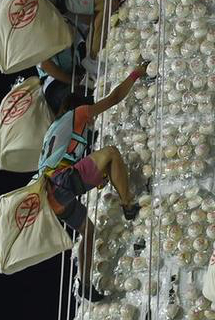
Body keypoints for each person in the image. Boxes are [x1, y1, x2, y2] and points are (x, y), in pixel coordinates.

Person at [38, 63, 147, 301]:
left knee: (87, 231)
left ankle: (85, 284)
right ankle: (128, 205)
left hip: (51, 195)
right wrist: (135, 74)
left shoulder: (52, 131)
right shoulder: (78, 114)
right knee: (111, 153)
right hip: (63, 179)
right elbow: (115, 97)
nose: (91, 122)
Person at [37, 22, 91, 114]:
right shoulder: (40, 38)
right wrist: (71, 80)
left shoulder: (68, 22)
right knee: (80, 97)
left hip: (75, 74)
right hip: (55, 85)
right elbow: (46, 65)